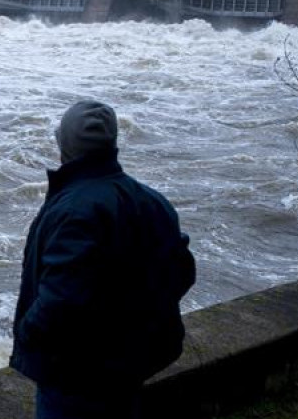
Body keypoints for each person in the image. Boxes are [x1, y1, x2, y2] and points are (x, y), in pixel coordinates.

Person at [10, 100, 195, 419]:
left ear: (65, 144)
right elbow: (182, 272)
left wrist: (27, 332)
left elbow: (61, 302)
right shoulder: (151, 200)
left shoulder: (76, 210)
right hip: (130, 363)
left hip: (76, 376)